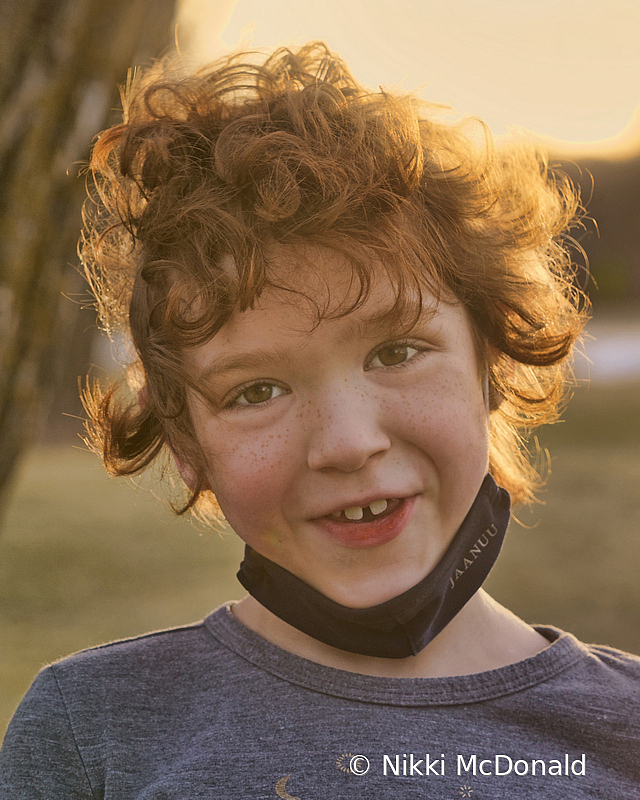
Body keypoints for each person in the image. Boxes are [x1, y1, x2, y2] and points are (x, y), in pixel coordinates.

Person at [1, 41, 638, 799]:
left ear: (493, 361)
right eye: (255, 392)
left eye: (397, 350)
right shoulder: (93, 730)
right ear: (187, 445)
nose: (346, 443)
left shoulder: (621, 734)